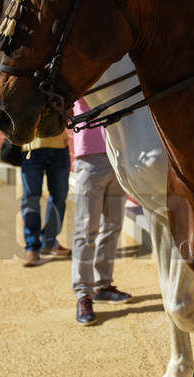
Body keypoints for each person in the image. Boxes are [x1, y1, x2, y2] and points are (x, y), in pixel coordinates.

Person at [71, 113, 132, 326]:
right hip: (90, 156)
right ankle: (83, 294)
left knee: (113, 226)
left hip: (118, 153)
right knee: (87, 228)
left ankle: (102, 286)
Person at [20, 127, 72, 268]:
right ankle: (31, 247)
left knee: (60, 195)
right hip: (32, 147)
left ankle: (49, 242)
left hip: (60, 145)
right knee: (31, 197)